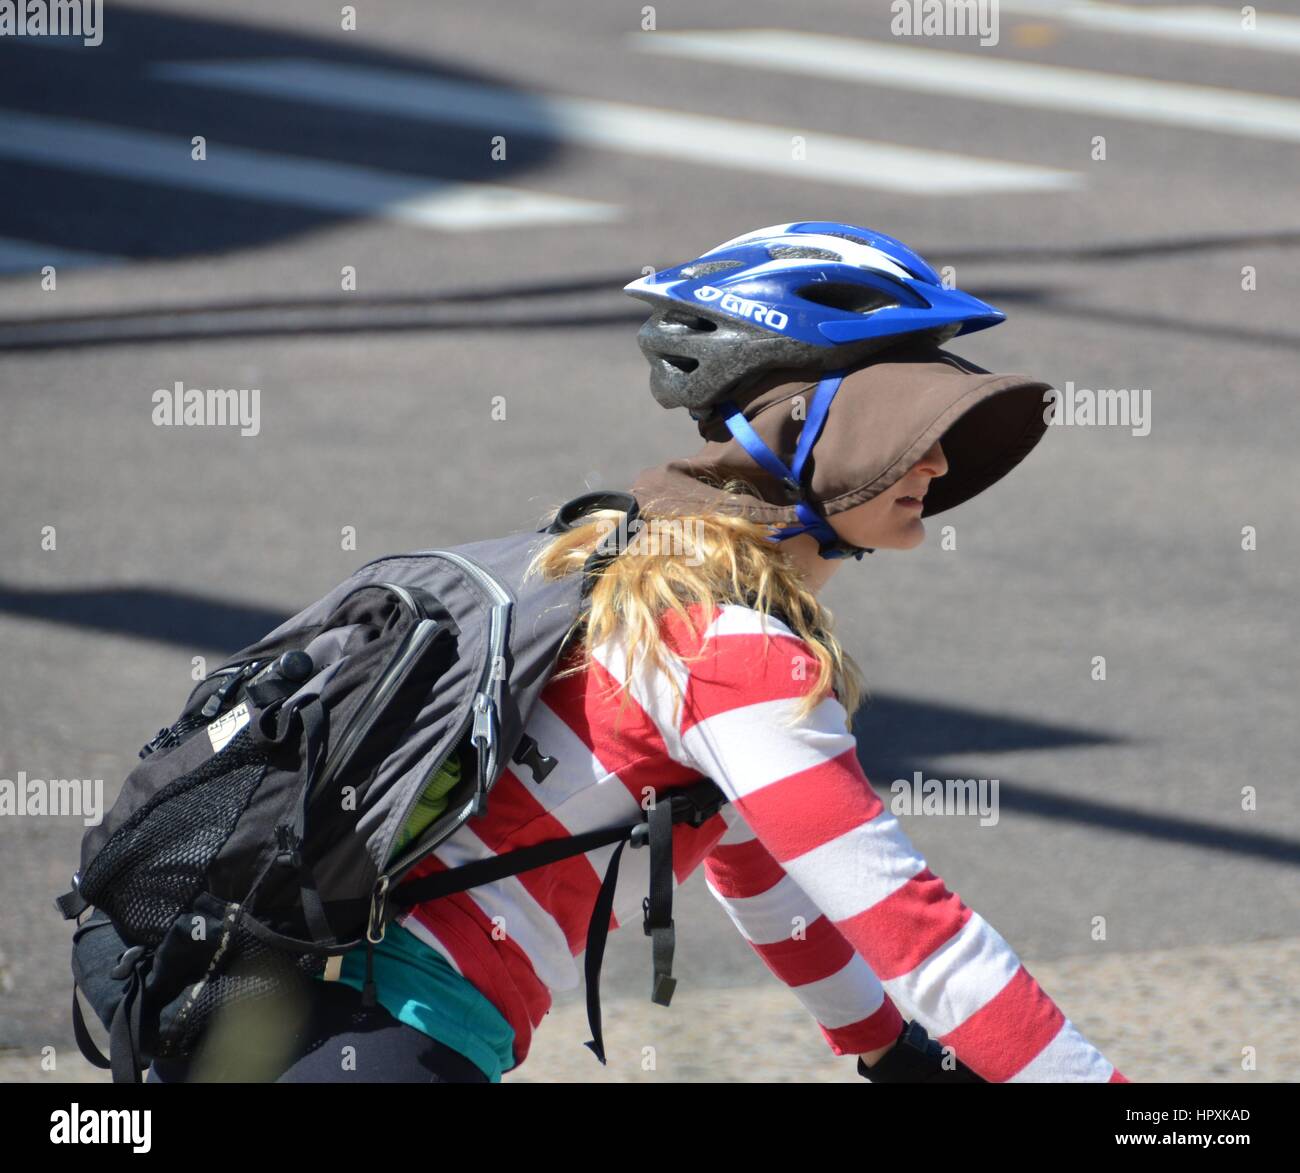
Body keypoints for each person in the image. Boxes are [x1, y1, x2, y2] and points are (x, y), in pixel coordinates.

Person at [149, 222, 1129, 1083]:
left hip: (276, 1007)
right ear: (803, 435)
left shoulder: (622, 556)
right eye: (909, 425)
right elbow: (927, 942)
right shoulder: (731, 648)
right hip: (378, 1036)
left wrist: (883, 1049)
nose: (939, 463)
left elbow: (755, 865)